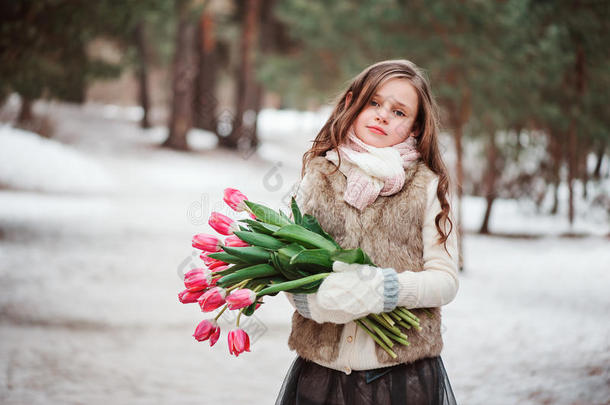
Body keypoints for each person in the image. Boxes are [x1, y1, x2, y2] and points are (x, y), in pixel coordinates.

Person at [275, 59, 460, 405]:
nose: (383, 115)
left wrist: (385, 290)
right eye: (373, 102)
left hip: (399, 378)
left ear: (415, 128)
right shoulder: (319, 176)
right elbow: (290, 266)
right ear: (351, 104)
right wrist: (316, 302)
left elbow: (445, 281)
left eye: (399, 112)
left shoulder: (426, 186)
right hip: (321, 374)